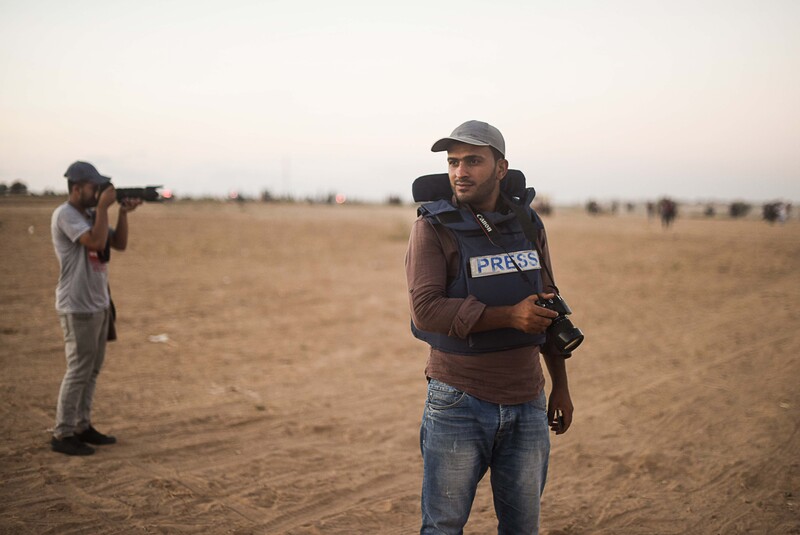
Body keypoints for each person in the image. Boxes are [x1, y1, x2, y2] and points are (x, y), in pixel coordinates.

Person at [405, 120, 575, 534]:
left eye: (473, 161)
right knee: (443, 526)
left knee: (523, 526)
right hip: (458, 401)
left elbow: (548, 305)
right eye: (453, 162)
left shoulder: (528, 224)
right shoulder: (432, 227)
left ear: (501, 167)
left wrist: (561, 387)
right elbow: (426, 310)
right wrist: (508, 316)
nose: (460, 172)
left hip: (528, 401)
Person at [50, 161, 142, 456]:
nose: (98, 193)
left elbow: (119, 243)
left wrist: (122, 213)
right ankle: (62, 433)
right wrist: (103, 209)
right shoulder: (65, 215)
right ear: (76, 188)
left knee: (92, 369)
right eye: (94, 187)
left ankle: (82, 425)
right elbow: (95, 240)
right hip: (77, 306)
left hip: (99, 303)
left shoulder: (90, 214)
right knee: (78, 369)